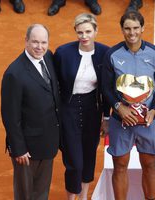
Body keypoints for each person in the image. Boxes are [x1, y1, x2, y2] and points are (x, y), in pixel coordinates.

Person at [102, 10, 155, 200]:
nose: (132, 33)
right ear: (122, 29)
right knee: (120, 166)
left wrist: (154, 111)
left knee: (149, 165)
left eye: (136, 28)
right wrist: (119, 107)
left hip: (148, 122)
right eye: (127, 28)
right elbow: (105, 88)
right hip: (121, 121)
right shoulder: (112, 55)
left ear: (143, 28)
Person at [1, 24, 61, 200]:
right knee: (25, 194)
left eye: (43, 42)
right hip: (27, 149)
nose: (39, 47)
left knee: (42, 193)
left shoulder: (48, 57)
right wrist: (18, 149)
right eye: (35, 42)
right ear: (26, 41)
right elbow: (10, 116)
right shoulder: (14, 73)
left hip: (48, 142)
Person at [54, 13, 110, 200]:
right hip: (68, 109)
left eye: (88, 31)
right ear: (75, 33)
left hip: (92, 111)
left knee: (88, 157)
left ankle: (84, 197)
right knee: (74, 162)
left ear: (96, 31)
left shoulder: (105, 53)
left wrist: (106, 117)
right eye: (80, 32)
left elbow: (107, 89)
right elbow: (55, 84)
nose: (84, 36)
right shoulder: (63, 52)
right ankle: (72, 198)